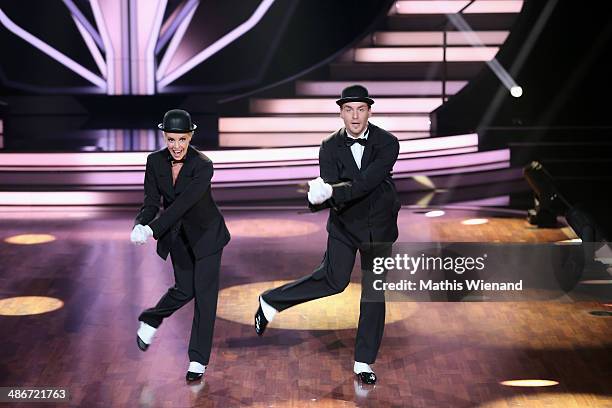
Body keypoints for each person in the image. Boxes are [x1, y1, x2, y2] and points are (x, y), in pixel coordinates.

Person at [254, 85, 401, 384]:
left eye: (361, 109)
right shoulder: (329, 146)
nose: (355, 116)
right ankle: (272, 301)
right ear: (341, 113)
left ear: (369, 111)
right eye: (349, 109)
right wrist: (317, 197)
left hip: (379, 227)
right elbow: (331, 188)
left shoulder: (388, 143)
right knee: (334, 281)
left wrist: (330, 192)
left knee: (374, 294)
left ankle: (363, 361)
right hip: (345, 225)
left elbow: (365, 183)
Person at [130, 109, 230, 381]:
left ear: (190, 137)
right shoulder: (154, 162)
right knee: (184, 289)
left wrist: (152, 230)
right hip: (178, 237)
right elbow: (152, 202)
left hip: (207, 236)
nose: (176, 146)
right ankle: (151, 318)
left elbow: (183, 205)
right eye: (171, 139)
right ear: (164, 136)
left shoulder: (203, 165)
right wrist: (140, 223)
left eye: (182, 140)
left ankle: (197, 360)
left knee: (206, 299)